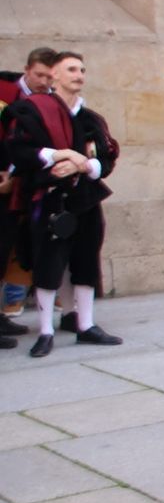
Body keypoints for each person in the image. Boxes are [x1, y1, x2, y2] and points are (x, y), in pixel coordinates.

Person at [4, 51, 123, 357]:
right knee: (48, 263)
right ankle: (45, 331)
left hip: (85, 199)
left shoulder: (90, 118)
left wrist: (83, 166)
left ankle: (85, 325)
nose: (78, 74)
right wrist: (59, 156)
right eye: (71, 69)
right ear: (54, 75)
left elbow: (106, 158)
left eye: (82, 69)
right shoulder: (32, 110)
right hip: (48, 199)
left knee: (86, 261)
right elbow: (20, 150)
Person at [1, 47, 57, 328]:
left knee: (16, 245)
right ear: (27, 69)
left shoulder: (51, 100)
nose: (44, 82)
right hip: (3, 180)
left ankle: (9, 307)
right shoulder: (4, 92)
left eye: (50, 77)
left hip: (30, 184)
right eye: (39, 75)